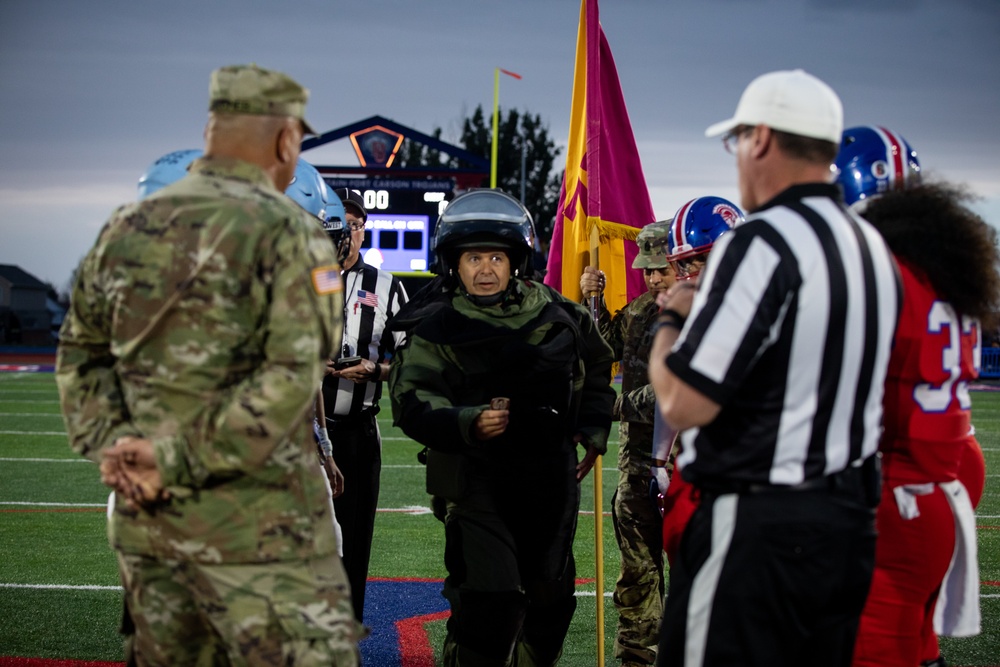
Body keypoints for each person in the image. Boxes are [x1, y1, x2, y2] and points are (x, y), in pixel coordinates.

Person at [56, 64, 360, 665]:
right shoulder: (296, 238)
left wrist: (118, 451)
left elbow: (78, 360)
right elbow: (298, 373)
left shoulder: (123, 229)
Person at [649, 69, 900, 666]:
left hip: (759, 524)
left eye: (737, 144)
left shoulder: (762, 241)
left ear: (759, 139)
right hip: (851, 523)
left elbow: (685, 402)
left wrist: (672, 322)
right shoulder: (871, 245)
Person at [387, 189, 616, 667]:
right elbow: (410, 399)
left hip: (550, 481)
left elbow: (598, 364)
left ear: (517, 261)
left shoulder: (561, 314)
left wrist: (593, 430)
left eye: (496, 256)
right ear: (455, 262)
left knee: (550, 605)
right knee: (488, 607)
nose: (486, 269)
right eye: (474, 258)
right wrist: (467, 421)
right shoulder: (436, 325)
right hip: (474, 481)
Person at [834, 128, 1000, 667]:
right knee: (915, 640)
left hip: (896, 489)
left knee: (877, 644)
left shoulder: (880, 277)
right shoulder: (946, 273)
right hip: (948, 466)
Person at [579, 219, 675, 667]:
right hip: (638, 462)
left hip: (689, 465)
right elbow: (598, 347)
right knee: (637, 572)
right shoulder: (639, 311)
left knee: (696, 573)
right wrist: (591, 300)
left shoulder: (711, 314)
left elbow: (679, 388)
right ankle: (637, 657)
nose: (654, 278)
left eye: (663, 269)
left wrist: (615, 406)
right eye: (649, 270)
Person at [321, 186, 409, 623]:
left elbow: (410, 358)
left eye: (355, 224)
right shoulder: (304, 281)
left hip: (357, 431)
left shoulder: (387, 286)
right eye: (340, 222)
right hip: (304, 433)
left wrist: (376, 371)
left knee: (354, 542)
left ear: (364, 230)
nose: (347, 232)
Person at [653, 196, 743, 567]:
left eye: (698, 261)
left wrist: (670, 323)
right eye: (683, 264)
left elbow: (675, 393)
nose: (688, 274)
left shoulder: (762, 309)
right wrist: (659, 459)